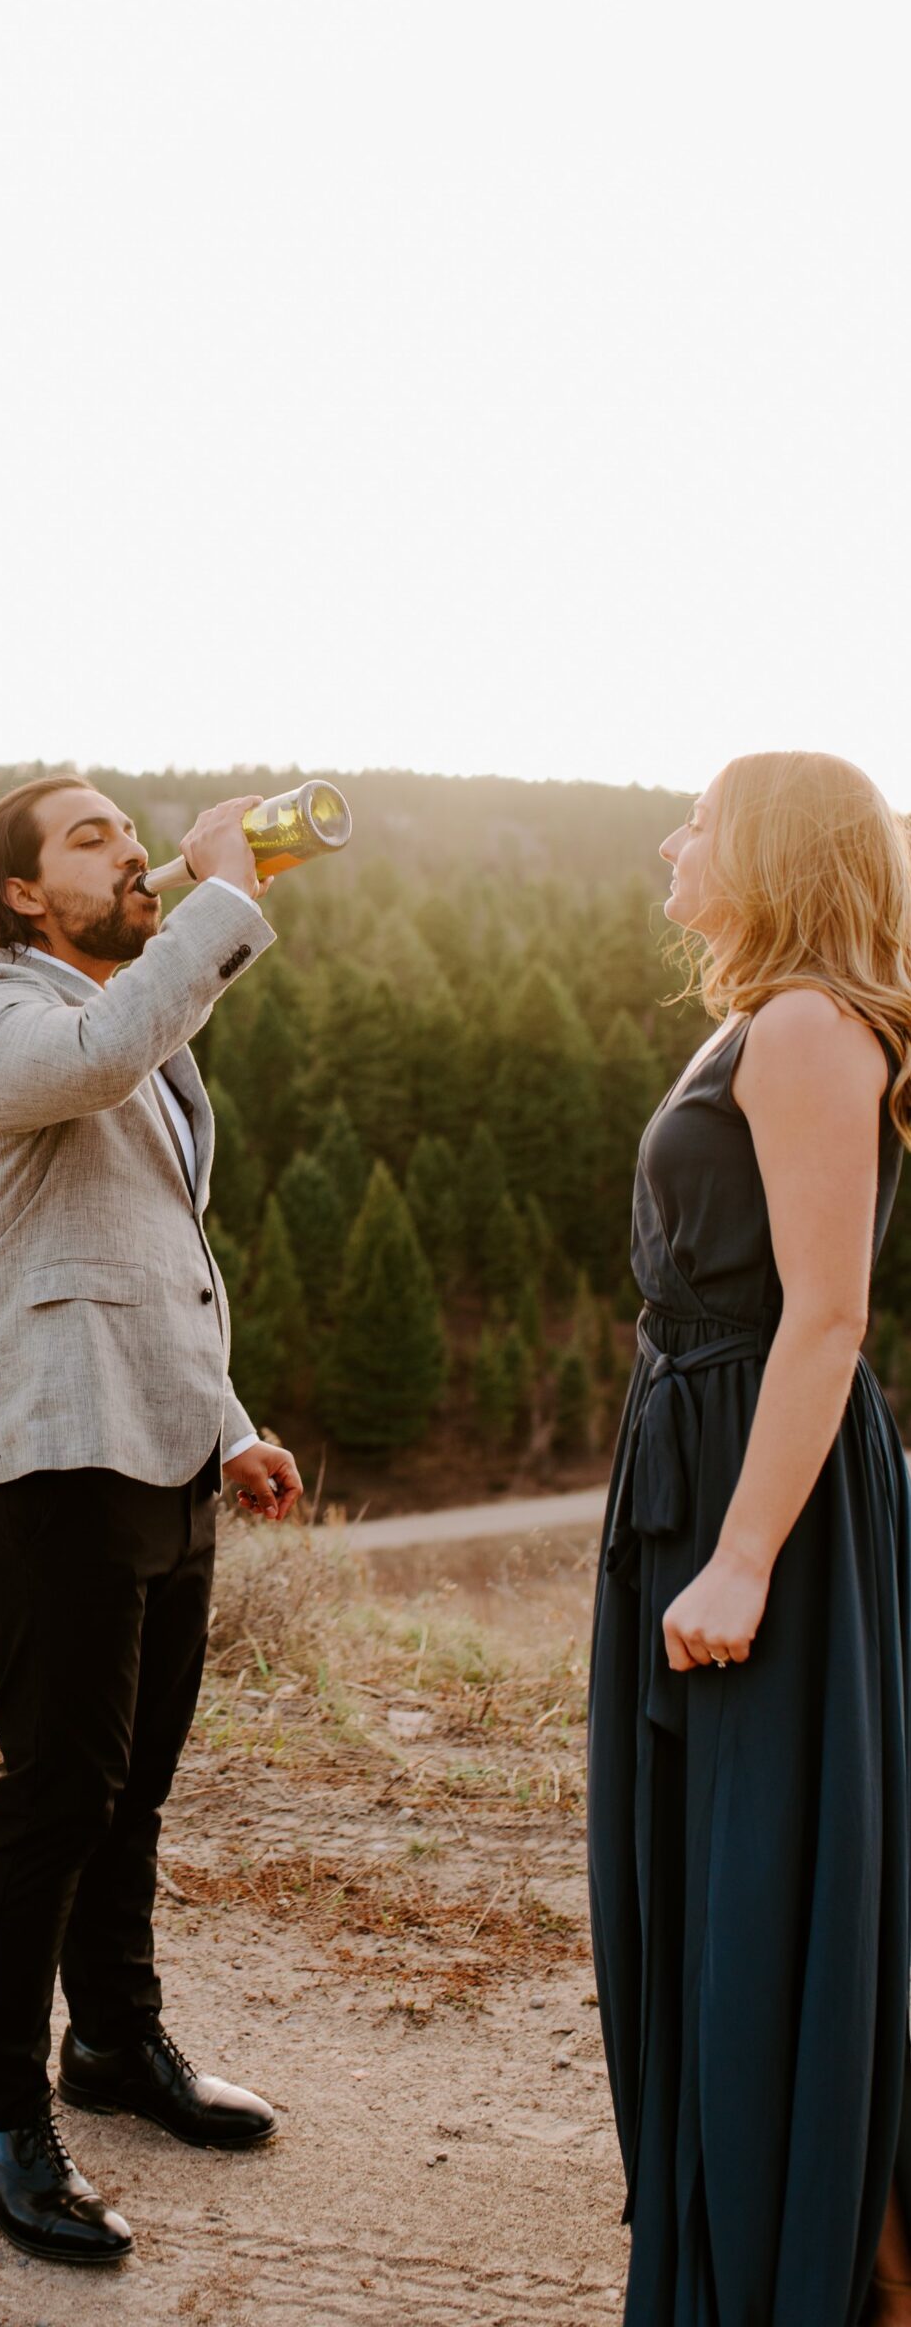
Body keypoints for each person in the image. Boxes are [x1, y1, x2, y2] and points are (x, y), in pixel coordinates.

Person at [0, 775, 302, 2267]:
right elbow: (97, 1052)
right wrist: (224, 896)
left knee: (133, 1784)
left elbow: (147, 1248)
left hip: (157, 1451)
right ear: (19, 894)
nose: (128, 846)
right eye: (89, 837)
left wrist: (230, 1424)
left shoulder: (129, 1026)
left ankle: (114, 2047)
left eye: (129, 829)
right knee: (57, 1792)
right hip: (40, 1457)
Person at [588, 750, 911, 2325]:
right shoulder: (765, 1015)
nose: (673, 839)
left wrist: (739, 1554)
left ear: (772, 853)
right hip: (701, 1462)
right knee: (716, 1870)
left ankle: (799, 2274)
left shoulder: (799, 1028)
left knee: (759, 1881)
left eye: (702, 821)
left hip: (756, 1493)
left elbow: (827, 1316)